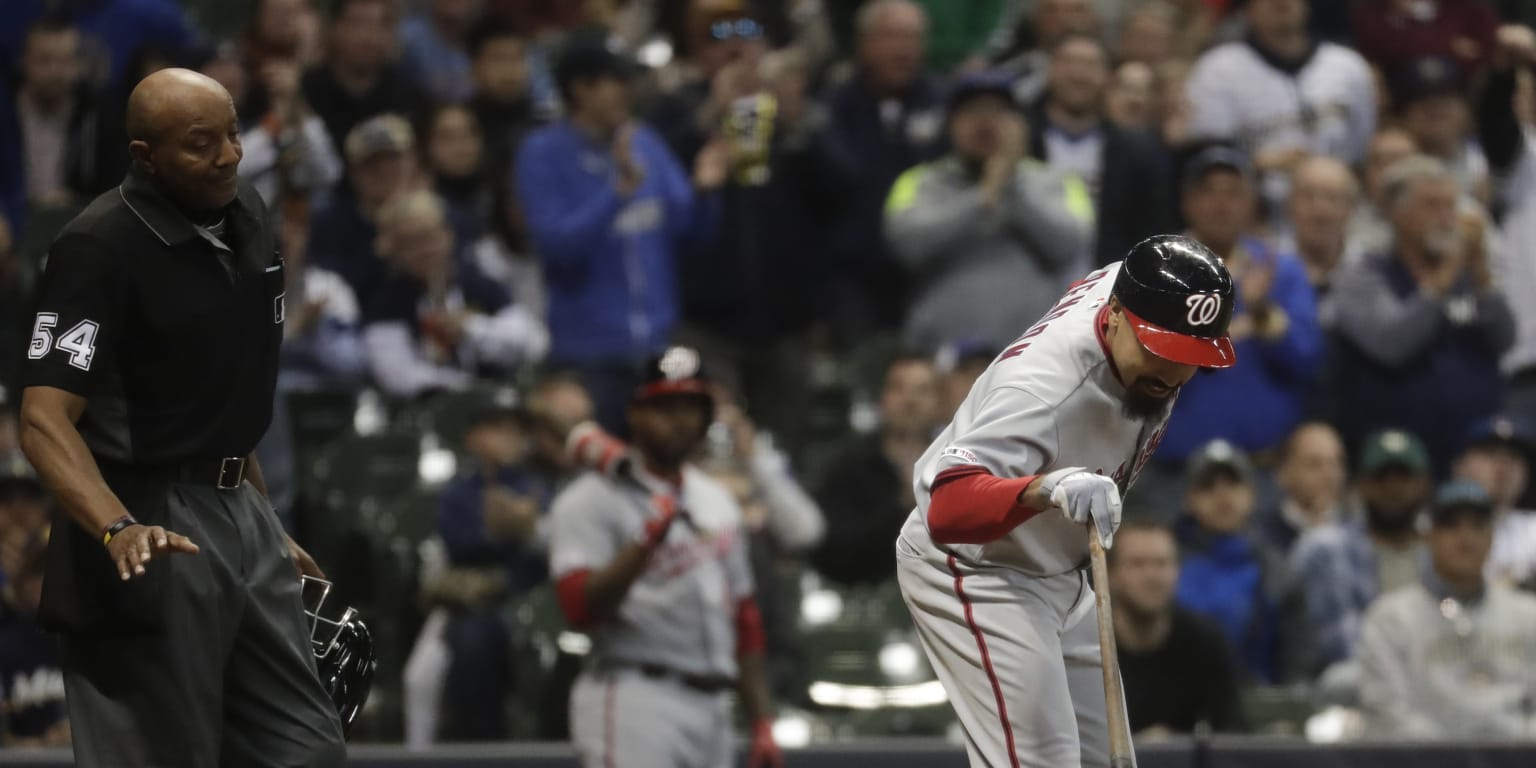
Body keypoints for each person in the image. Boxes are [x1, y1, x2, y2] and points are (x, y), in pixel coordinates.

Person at [16, 68, 343, 766]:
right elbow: (43, 418)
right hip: (148, 514)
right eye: (201, 144)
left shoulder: (250, 214)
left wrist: (260, 523)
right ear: (146, 156)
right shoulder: (97, 245)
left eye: (231, 133)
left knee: (308, 750)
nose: (228, 155)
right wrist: (116, 527)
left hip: (239, 505)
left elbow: (223, 393)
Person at [897, 235, 1236, 768]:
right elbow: (947, 508)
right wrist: (1044, 487)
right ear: (1117, 315)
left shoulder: (1126, 287)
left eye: (1188, 355)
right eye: (1160, 348)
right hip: (976, 568)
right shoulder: (1042, 389)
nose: (1172, 371)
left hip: (1059, 569)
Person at [547, 347, 781, 768]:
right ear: (635, 414)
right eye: (663, 406)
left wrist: (761, 720)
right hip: (636, 698)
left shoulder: (715, 500)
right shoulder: (587, 501)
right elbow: (580, 608)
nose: (678, 419)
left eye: (690, 406)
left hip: (714, 707)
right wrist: (645, 542)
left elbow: (744, 617)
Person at [516, 38, 726, 433]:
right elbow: (557, 248)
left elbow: (691, 234)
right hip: (588, 354)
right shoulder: (541, 154)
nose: (627, 91)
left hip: (658, 347)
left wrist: (708, 190)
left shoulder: (645, 142)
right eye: (615, 81)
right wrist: (618, 192)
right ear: (581, 88)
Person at [1327, 155, 1515, 474]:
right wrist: (1442, 279)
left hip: (1471, 458)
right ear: (1397, 214)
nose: (1446, 218)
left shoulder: (1468, 280)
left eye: (1450, 206)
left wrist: (1482, 275)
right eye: (1432, 206)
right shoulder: (1363, 276)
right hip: (1394, 465)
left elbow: (1504, 338)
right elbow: (1392, 344)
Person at [885, 72, 1090, 351]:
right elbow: (907, 248)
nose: (985, 122)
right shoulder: (917, 182)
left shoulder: (1059, 182)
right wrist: (983, 196)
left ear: (1019, 125)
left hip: (1031, 357)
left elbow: (1070, 247)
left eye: (998, 113)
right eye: (972, 112)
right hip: (940, 356)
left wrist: (1012, 186)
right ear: (951, 123)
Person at [1151, 147, 1322, 469]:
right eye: (1209, 192)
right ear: (1186, 203)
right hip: (1173, 468)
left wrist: (1262, 312)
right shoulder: (1156, 269)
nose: (1221, 204)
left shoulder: (1281, 271)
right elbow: (1138, 370)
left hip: (1265, 467)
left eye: (1233, 193)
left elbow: (1307, 360)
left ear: (1252, 204)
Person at [1357, 480, 1536, 739]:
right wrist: (1454, 757)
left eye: (1478, 525)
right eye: (1451, 525)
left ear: (1493, 536)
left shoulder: (1528, 615)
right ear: (1429, 535)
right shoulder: (1390, 618)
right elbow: (1388, 714)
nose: (1466, 537)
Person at [817, 0, 946, 341]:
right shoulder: (832, 106)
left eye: (912, 38)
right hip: (852, 280)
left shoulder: (943, 103)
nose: (903, 49)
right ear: (863, 43)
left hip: (929, 277)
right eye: (891, 37)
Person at [1184, 0, 1376, 212]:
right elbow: (1208, 157)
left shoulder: (1348, 66)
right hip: (1256, 213)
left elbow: (1362, 150)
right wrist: (1255, 163)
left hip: (1338, 210)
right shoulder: (1216, 70)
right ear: (1247, 10)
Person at [361, 189, 546, 398]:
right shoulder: (386, 305)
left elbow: (533, 341)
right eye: (410, 243)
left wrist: (471, 328)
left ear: (448, 236)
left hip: (500, 399)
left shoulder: (479, 286)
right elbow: (398, 375)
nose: (424, 250)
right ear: (392, 250)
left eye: (429, 238)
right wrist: (470, 388)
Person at [1026, 33, 1175, 268]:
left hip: (1108, 290)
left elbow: (1153, 235)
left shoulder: (1139, 153)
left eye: (1090, 65)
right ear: (1051, 71)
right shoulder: (1019, 142)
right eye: (1069, 62)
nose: (1079, 75)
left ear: (1108, 77)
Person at [1292, 429, 1434, 674]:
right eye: (1382, 478)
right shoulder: (1326, 550)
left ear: (1424, 484)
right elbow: (1340, 647)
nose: (1393, 488)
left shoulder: (1443, 551)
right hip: (1357, 691)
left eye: (1403, 477)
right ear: (1361, 485)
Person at [1173, 439, 1303, 684]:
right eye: (1207, 485)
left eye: (1233, 483)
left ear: (1251, 494)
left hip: (1259, 707)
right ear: (1189, 499)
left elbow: (1296, 658)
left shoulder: (1279, 571)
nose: (1222, 495)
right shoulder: (1164, 562)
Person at [811, 354, 943, 587]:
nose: (910, 400)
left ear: (940, 403)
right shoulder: (847, 465)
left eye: (922, 390)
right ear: (883, 398)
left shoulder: (958, 462)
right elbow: (832, 551)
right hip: (863, 597)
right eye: (899, 388)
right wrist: (901, 505)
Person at [1110, 521, 1245, 737]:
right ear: (1111, 575)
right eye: (1137, 564)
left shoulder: (1205, 642)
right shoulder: (1085, 644)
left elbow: (1233, 735)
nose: (1152, 577)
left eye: (1162, 564)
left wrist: (1176, 747)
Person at [301, 0, 421, 156]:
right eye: (358, 24)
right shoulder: (306, 93)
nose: (369, 37)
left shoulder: (407, 96)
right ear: (334, 28)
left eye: (380, 24)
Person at [1453, 416, 1536, 589]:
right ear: (1459, 465)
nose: (1503, 464)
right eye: (1490, 453)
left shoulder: (1532, 530)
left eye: (1514, 456)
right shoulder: (1430, 527)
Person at [1259, 421, 1352, 556]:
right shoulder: (1264, 536)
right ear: (1284, 472)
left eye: (1335, 463)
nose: (1329, 475)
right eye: (1314, 464)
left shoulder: (1358, 533)